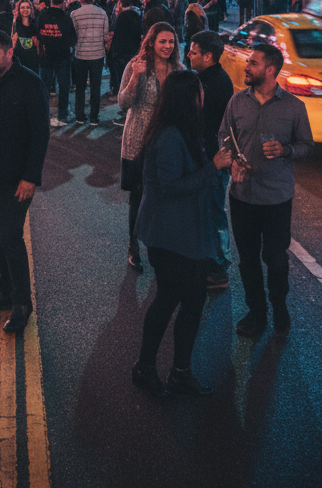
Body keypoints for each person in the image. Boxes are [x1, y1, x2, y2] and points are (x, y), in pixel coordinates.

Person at [131, 70, 232, 398]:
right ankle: (148, 369)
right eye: (200, 91)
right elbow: (172, 186)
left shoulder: (185, 130)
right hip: (169, 234)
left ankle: (178, 371)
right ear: (189, 97)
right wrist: (212, 168)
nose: (204, 96)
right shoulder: (170, 135)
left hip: (186, 231)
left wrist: (218, 168)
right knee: (172, 299)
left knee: (188, 299)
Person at [220, 43, 313, 338]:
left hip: (276, 197)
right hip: (242, 195)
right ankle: (256, 312)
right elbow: (224, 136)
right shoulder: (237, 102)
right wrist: (231, 161)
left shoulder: (294, 107)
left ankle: (279, 306)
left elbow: (306, 146)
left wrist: (286, 150)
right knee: (247, 259)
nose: (246, 67)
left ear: (270, 70)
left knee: (275, 258)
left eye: (253, 63)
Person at [0, 30, 49, 334]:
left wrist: (31, 177)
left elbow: (40, 134)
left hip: (17, 179)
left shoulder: (30, 83)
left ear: (9, 53)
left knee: (10, 237)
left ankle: (21, 302)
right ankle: (4, 290)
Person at [118, 22, 184, 273]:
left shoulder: (178, 69)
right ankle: (133, 246)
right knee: (139, 196)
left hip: (168, 142)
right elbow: (124, 103)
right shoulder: (137, 66)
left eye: (171, 42)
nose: (167, 46)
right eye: (162, 41)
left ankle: (161, 246)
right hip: (138, 139)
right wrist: (136, 75)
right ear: (151, 42)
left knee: (166, 196)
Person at [187, 31, 235, 291]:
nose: (188, 55)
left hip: (212, 160)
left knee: (214, 212)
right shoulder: (209, 77)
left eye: (193, 52)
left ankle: (218, 267)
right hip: (209, 157)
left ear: (208, 56)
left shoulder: (210, 83)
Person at [36, 0, 76, 128]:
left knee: (44, 86)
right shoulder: (65, 18)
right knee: (63, 86)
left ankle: (42, 114)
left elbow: (37, 32)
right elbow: (72, 39)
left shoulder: (42, 15)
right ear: (63, 2)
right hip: (62, 57)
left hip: (45, 56)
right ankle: (63, 113)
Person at [71, 0, 109, 126]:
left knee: (80, 86)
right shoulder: (102, 13)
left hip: (81, 53)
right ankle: (94, 116)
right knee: (95, 86)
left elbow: (73, 35)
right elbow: (105, 34)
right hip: (97, 53)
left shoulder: (75, 14)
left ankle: (80, 115)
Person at [11, 0, 40, 73]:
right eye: (22, 8)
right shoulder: (15, 24)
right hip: (19, 58)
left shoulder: (35, 23)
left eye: (27, 7)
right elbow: (12, 42)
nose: (25, 10)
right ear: (19, 9)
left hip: (32, 59)